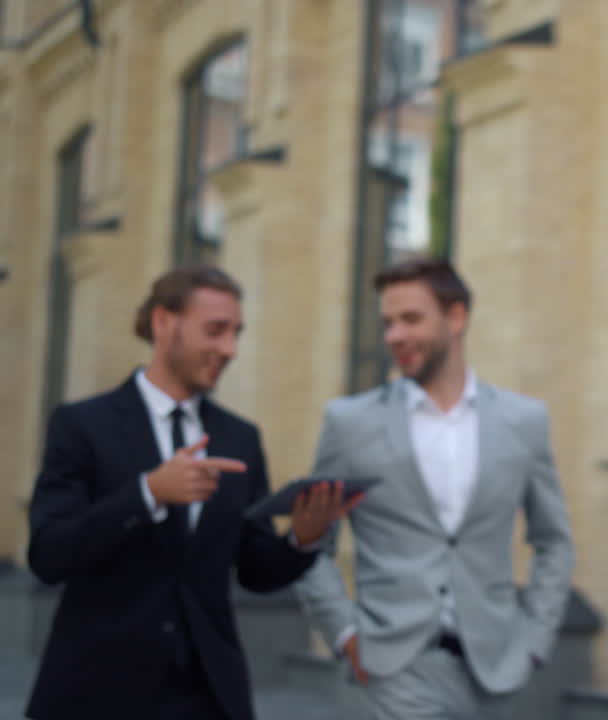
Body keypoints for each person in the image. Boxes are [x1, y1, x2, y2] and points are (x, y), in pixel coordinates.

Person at [26, 265, 361, 720]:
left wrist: (302, 538)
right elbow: (49, 554)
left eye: (236, 333)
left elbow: (255, 570)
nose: (230, 349)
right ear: (164, 323)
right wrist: (148, 493)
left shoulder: (240, 438)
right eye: (216, 331)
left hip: (207, 695)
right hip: (98, 693)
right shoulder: (83, 425)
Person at [293, 257, 575, 720]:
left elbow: (554, 541)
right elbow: (308, 546)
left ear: (456, 317)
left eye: (410, 319)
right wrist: (344, 634)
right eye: (387, 323)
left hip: (494, 673)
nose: (394, 337)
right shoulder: (349, 424)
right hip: (391, 670)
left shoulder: (524, 421)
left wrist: (534, 642)